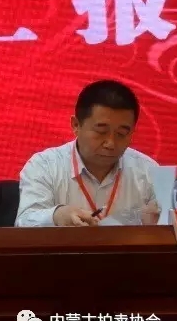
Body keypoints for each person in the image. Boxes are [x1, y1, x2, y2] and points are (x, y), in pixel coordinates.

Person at [15, 80, 160, 227]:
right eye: (101, 131)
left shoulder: (148, 171)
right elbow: (23, 223)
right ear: (76, 125)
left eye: (121, 134)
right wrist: (56, 216)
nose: (110, 143)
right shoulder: (44, 166)